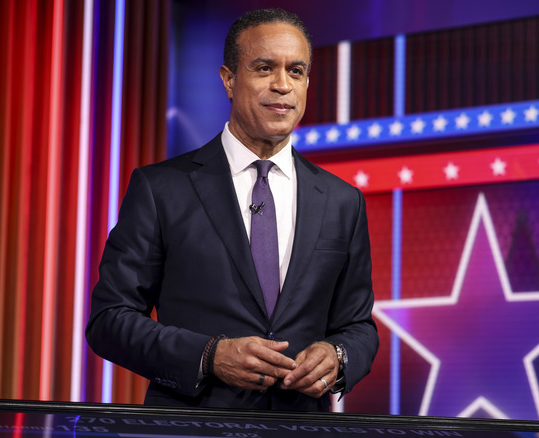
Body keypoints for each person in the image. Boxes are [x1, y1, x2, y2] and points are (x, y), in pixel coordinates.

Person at [86, 8, 378, 412]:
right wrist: (208, 356)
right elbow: (110, 320)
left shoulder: (343, 201)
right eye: (264, 68)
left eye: (296, 71)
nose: (282, 85)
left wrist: (339, 355)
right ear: (228, 79)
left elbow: (358, 325)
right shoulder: (161, 188)